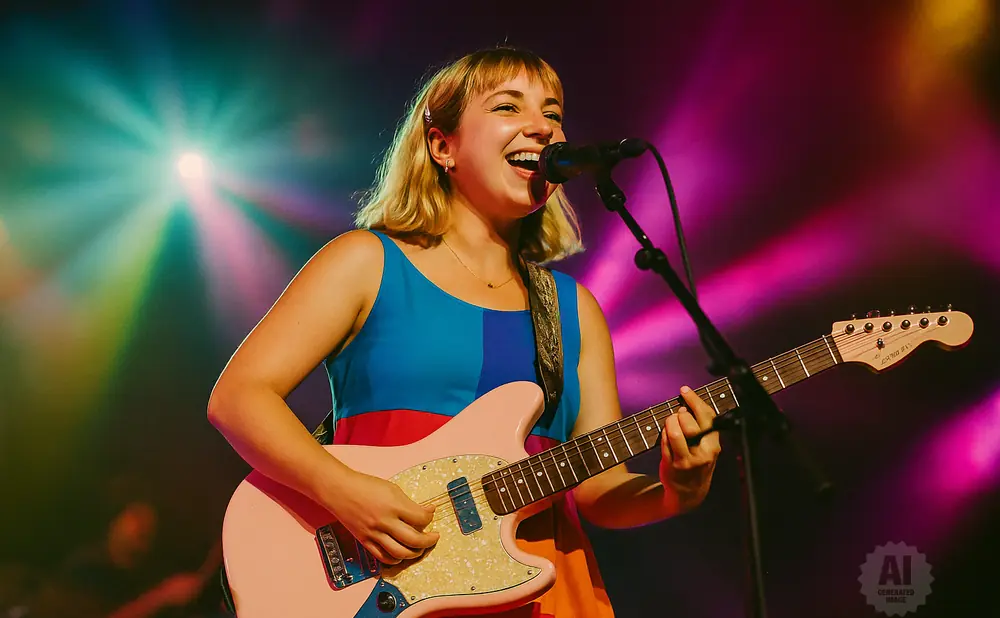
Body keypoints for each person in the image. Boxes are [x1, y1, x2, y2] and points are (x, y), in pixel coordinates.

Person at [208, 47, 722, 617]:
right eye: (509, 106)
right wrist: (343, 492)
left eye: (552, 114)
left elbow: (598, 490)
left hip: (543, 591)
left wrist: (677, 491)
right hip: (389, 576)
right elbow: (238, 398)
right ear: (441, 145)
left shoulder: (573, 309)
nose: (542, 128)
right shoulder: (365, 262)